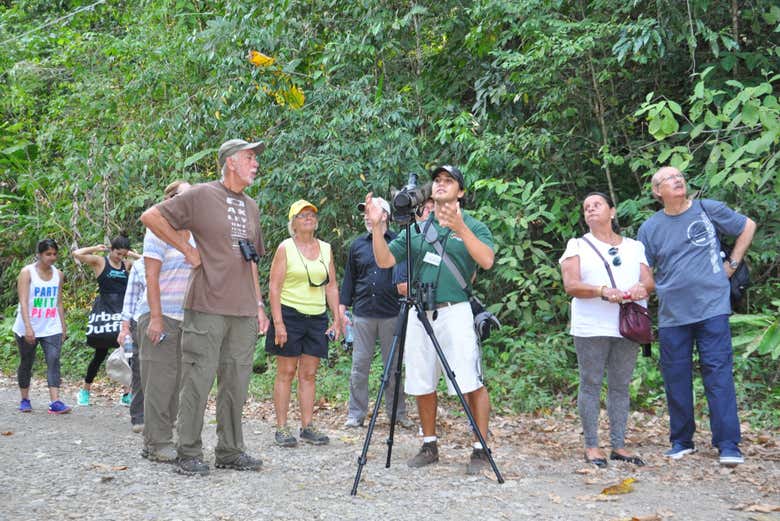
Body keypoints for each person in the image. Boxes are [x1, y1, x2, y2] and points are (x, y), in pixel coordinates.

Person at [140, 139, 269, 476]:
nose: (255, 163)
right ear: (230, 162)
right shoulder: (200, 195)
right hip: (207, 305)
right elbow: (152, 216)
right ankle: (188, 451)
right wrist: (187, 248)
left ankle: (230, 450)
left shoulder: (252, 207)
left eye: (255, 158)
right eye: (249, 157)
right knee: (198, 379)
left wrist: (258, 304)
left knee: (236, 383)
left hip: (242, 311)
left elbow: (252, 260)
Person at [365, 165, 495, 475]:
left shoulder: (475, 226)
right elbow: (384, 260)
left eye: (448, 181)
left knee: (469, 379)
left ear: (460, 192)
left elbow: (487, 261)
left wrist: (461, 228)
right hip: (420, 312)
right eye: (437, 181)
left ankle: (480, 447)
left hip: (456, 310)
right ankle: (429, 443)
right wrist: (376, 229)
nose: (440, 185)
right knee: (422, 379)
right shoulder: (417, 228)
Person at [637, 166, 756, 467]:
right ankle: (681, 440)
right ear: (656, 192)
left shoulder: (707, 209)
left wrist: (732, 263)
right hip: (672, 314)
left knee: (718, 375)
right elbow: (644, 271)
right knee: (676, 378)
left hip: (712, 308)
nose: (678, 181)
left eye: (680, 177)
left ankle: (728, 444)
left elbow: (748, 226)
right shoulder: (650, 228)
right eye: (669, 179)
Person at [559, 192, 654, 468]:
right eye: (586, 207)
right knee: (590, 384)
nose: (590, 210)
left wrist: (641, 288)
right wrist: (602, 291)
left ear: (612, 211)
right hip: (591, 326)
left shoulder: (634, 246)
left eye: (596, 205)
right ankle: (591, 445)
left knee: (620, 386)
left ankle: (619, 445)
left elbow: (649, 280)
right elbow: (571, 285)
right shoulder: (576, 245)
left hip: (628, 325)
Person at [266, 200, 340, 448]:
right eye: (302, 215)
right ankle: (282, 427)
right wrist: (278, 322)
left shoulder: (326, 249)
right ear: (293, 223)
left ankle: (308, 426)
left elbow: (331, 286)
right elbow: (274, 287)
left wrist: (337, 319)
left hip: (316, 317)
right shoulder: (286, 248)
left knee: (308, 374)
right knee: (286, 373)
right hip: (289, 314)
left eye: (311, 214)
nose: (308, 218)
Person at [340, 196, 412, 429]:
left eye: (372, 211)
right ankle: (356, 414)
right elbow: (349, 279)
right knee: (360, 366)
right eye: (365, 212)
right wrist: (342, 309)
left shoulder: (398, 242)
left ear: (385, 216)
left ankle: (397, 414)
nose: (367, 216)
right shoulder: (357, 245)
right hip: (363, 313)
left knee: (393, 368)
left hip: (392, 312)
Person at [137, 180, 194, 463]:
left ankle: (159, 438)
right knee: (159, 381)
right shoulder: (157, 232)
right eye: (183, 197)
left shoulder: (195, 235)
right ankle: (157, 441)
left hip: (186, 318)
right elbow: (151, 276)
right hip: (160, 316)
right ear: (170, 201)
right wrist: (156, 319)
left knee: (178, 383)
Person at [73, 235, 139, 406]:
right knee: (100, 354)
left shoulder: (127, 264)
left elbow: (146, 260)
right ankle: (85, 391)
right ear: (111, 250)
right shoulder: (100, 262)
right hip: (105, 312)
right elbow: (77, 254)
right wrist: (95, 248)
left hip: (122, 312)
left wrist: (133, 255)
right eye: (118, 253)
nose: (120, 257)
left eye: (124, 255)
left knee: (128, 353)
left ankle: (126, 393)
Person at [13, 239, 71, 414]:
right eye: (48, 254)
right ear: (39, 254)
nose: (52, 257)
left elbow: (58, 302)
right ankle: (24, 399)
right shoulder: (27, 273)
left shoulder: (58, 274)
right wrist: (28, 328)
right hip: (28, 326)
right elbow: (23, 302)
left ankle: (55, 402)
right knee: (27, 362)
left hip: (51, 325)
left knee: (53, 360)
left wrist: (63, 326)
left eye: (54, 254)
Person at [117, 256, 146, 433]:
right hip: (140, 322)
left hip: (172, 322)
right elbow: (131, 298)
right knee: (139, 370)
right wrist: (124, 327)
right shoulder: (140, 264)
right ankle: (139, 416)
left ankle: (165, 416)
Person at [393, 183, 434, 297]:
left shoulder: (445, 236)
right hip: (420, 305)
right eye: (426, 209)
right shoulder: (409, 237)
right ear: (416, 214)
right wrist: (427, 298)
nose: (430, 212)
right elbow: (402, 286)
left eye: (433, 209)